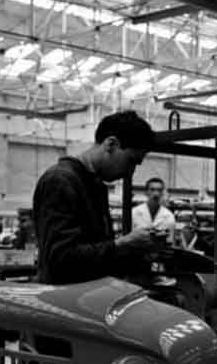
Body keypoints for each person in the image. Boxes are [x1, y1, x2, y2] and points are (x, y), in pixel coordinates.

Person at [33, 110, 159, 285]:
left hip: (89, 293)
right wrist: (122, 244)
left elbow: (96, 255)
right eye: (131, 161)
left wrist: (136, 252)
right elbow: (59, 259)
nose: (130, 172)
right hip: (64, 297)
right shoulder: (60, 181)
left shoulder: (95, 186)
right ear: (111, 144)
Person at [131, 177, 179, 246]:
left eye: (159, 190)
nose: (156, 194)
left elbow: (170, 243)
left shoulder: (169, 216)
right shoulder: (134, 213)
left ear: (162, 193)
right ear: (146, 193)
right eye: (152, 190)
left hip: (160, 251)